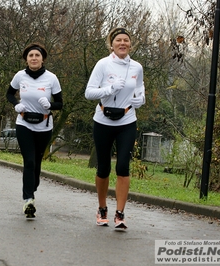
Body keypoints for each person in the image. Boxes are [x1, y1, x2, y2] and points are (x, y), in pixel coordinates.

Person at [85, 28, 145, 229]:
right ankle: (102, 208)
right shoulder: (103, 64)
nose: (122, 43)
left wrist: (140, 98)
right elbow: (89, 92)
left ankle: (120, 213)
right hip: (103, 119)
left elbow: (139, 90)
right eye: (118, 40)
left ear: (130, 44)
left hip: (127, 120)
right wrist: (109, 89)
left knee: (122, 167)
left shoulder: (137, 67)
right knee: (103, 168)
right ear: (111, 44)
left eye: (126, 40)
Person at [6, 43, 63, 218]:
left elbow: (60, 104)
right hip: (24, 123)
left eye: (37, 55)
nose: (34, 58)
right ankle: (28, 200)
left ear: (42, 59)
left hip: (44, 125)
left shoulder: (51, 78)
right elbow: (9, 94)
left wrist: (50, 105)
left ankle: (33, 185)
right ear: (26, 59)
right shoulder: (20, 76)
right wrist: (17, 104)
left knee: (37, 161)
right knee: (29, 161)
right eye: (30, 56)